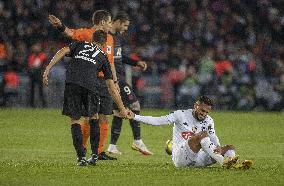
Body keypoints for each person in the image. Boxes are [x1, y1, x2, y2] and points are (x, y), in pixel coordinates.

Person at [43, 30, 127, 166]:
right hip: (90, 85)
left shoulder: (80, 44)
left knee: (75, 120)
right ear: (105, 43)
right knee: (93, 117)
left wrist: (48, 68)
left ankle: (81, 158)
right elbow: (111, 87)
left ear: (92, 39)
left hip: (72, 82)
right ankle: (94, 155)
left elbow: (63, 51)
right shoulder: (104, 56)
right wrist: (122, 109)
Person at [48, 10, 118, 160]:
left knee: (104, 115)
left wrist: (115, 81)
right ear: (103, 22)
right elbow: (69, 33)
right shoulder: (87, 34)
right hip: (90, 79)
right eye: (110, 22)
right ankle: (84, 148)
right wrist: (60, 25)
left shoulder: (110, 39)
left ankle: (99, 152)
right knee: (90, 117)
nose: (111, 25)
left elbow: (110, 62)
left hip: (105, 80)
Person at [127, 96, 253, 169]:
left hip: (198, 159)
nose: (204, 114)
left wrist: (219, 147)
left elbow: (214, 137)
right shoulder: (180, 115)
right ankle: (224, 162)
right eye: (202, 110)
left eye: (206, 112)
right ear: (195, 106)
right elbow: (158, 120)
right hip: (181, 159)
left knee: (230, 147)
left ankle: (234, 164)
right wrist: (135, 116)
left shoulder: (209, 120)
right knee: (201, 136)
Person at [106, 11, 152, 155]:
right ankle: (137, 140)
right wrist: (113, 79)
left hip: (117, 77)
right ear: (118, 22)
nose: (126, 28)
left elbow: (120, 57)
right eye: (125, 25)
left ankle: (112, 146)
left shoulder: (117, 38)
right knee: (134, 105)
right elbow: (108, 60)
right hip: (115, 78)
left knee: (119, 112)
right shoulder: (107, 37)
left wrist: (136, 62)